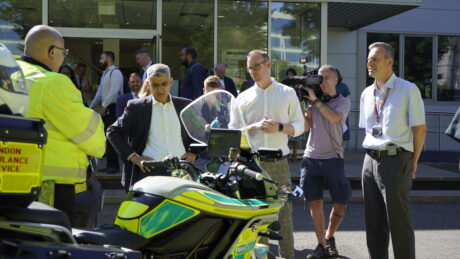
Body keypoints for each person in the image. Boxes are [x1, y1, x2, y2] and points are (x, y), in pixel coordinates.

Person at [18, 25, 106, 223]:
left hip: (12, 183)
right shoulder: (51, 83)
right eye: (63, 52)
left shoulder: (9, 78)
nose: (63, 57)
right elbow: (93, 138)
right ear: (51, 52)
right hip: (50, 190)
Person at [229, 50, 304, 259]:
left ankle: (287, 256)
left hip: (278, 162)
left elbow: (300, 126)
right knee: (256, 215)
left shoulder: (287, 93)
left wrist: (279, 127)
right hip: (252, 163)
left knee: (284, 214)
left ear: (268, 64)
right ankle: (259, 257)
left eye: (257, 66)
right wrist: (254, 127)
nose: (253, 71)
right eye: (249, 68)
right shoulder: (242, 98)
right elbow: (233, 133)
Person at [359, 42, 426, 259]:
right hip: (369, 160)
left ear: (390, 62)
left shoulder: (408, 89)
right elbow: (369, 130)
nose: (370, 63)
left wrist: (413, 161)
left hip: (396, 158)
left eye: (375, 59)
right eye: (369, 59)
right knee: (374, 222)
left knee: (398, 223)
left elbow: (420, 129)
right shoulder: (367, 93)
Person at [107, 64, 197, 192]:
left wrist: (194, 152)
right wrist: (134, 157)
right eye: (155, 85)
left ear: (171, 81)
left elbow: (200, 133)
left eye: (164, 84)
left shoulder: (185, 105)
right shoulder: (136, 107)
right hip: (149, 172)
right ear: (148, 84)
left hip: (181, 171)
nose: (160, 89)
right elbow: (112, 132)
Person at [300, 64, 351, 259]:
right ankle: (321, 245)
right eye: (321, 77)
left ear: (337, 81)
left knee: (340, 202)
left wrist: (316, 102)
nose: (324, 81)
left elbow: (333, 118)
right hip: (311, 158)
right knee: (315, 204)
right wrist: (301, 108)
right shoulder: (312, 102)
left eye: (328, 77)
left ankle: (329, 236)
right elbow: (306, 127)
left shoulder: (343, 101)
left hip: (333, 158)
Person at [90, 51, 124, 174]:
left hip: (113, 108)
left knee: (112, 137)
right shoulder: (105, 74)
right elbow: (100, 93)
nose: (100, 61)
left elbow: (114, 92)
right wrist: (91, 107)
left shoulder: (116, 73)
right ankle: (110, 164)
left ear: (108, 59)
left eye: (101, 58)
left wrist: (103, 106)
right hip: (106, 109)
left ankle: (114, 166)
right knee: (106, 137)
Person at [335, 68, 351, 143]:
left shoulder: (343, 86)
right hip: (330, 112)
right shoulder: (326, 85)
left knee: (341, 135)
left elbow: (347, 100)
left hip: (341, 113)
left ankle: (341, 153)